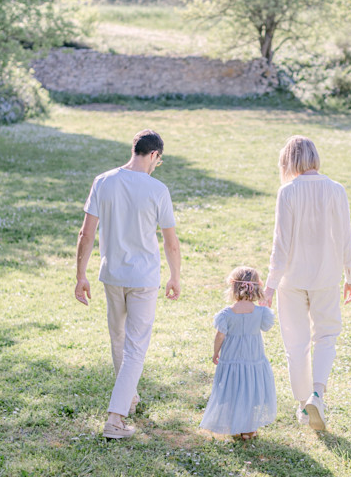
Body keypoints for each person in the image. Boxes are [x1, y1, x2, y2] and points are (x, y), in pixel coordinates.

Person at [75, 128, 181, 439]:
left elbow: (86, 233)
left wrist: (80, 275)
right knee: (135, 347)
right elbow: (170, 242)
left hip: (112, 275)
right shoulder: (157, 189)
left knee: (119, 339)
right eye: (157, 161)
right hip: (143, 277)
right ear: (154, 155)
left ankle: (129, 396)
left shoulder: (103, 181)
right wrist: (175, 275)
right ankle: (115, 419)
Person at [260, 135, 351, 431]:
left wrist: (270, 286)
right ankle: (318, 393)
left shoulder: (287, 192)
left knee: (296, 344)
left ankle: (303, 405)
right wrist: (350, 276)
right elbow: (346, 236)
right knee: (326, 336)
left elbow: (281, 245)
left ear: (288, 161)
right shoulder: (336, 190)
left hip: (292, 279)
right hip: (326, 276)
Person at [200, 266, 276, 440]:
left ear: (233, 288)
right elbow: (265, 327)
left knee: (233, 391)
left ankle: (235, 425)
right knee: (249, 391)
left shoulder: (226, 314)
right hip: (253, 359)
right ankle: (248, 429)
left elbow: (220, 335)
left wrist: (215, 353)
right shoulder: (261, 313)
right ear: (256, 287)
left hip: (231, 359)